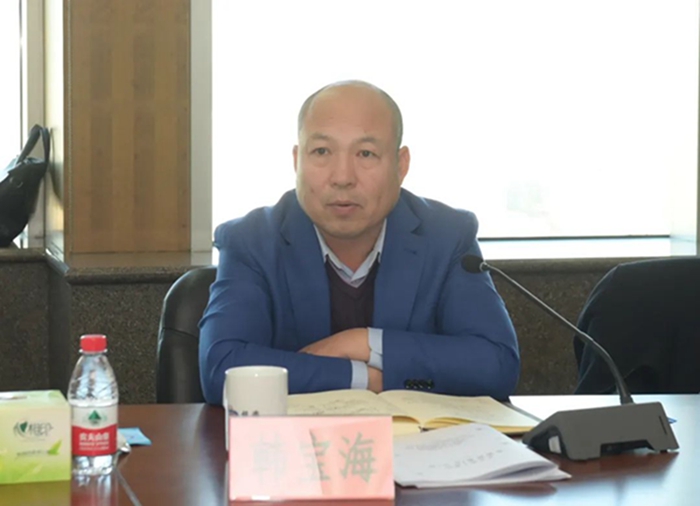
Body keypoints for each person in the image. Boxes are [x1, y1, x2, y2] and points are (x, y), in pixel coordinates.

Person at [199, 80, 519, 405]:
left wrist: (363, 343)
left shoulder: (447, 236)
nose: (342, 177)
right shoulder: (252, 241)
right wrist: (366, 377)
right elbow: (221, 370)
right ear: (297, 161)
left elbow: (496, 364)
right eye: (321, 152)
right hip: (292, 439)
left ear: (401, 165)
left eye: (366, 153)